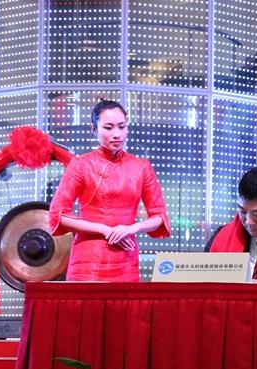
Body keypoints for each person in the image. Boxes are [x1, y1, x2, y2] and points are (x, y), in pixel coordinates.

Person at [49, 100, 170, 282]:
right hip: (87, 262)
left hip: (126, 257)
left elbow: (160, 216)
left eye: (122, 126)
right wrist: (104, 230)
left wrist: (132, 228)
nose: (117, 134)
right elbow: (58, 215)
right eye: (108, 127)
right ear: (94, 129)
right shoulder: (80, 165)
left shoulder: (142, 167)